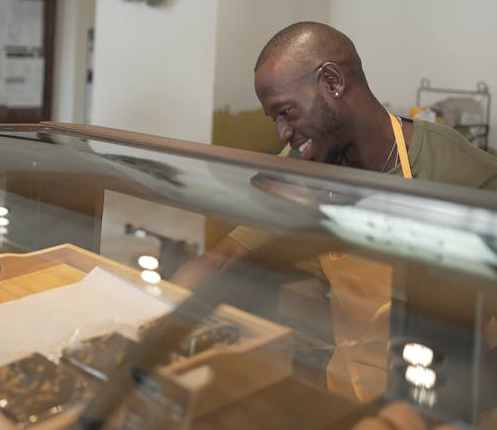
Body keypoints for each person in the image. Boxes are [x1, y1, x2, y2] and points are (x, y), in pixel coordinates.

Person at [172, 22, 497, 400]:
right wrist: (153, 321)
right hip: (347, 395)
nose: (281, 134)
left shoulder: (458, 170)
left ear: (332, 81)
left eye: (285, 113)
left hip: (441, 405)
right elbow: (223, 260)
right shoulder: (305, 166)